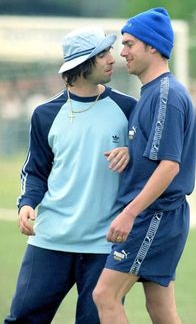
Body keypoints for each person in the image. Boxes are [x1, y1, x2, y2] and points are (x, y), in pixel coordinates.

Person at [5, 27, 136, 324]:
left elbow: (149, 167)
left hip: (105, 244)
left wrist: (132, 154)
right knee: (23, 318)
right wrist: (27, 203)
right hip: (50, 240)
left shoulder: (130, 109)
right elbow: (35, 170)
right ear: (81, 64)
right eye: (101, 54)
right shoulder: (44, 114)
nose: (111, 58)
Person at [93, 7, 196, 324]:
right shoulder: (152, 93)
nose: (121, 53)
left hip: (154, 216)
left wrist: (129, 213)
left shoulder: (166, 94)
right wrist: (130, 151)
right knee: (161, 309)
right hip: (160, 216)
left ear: (152, 46)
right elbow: (155, 154)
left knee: (105, 295)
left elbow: (169, 166)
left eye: (128, 44)